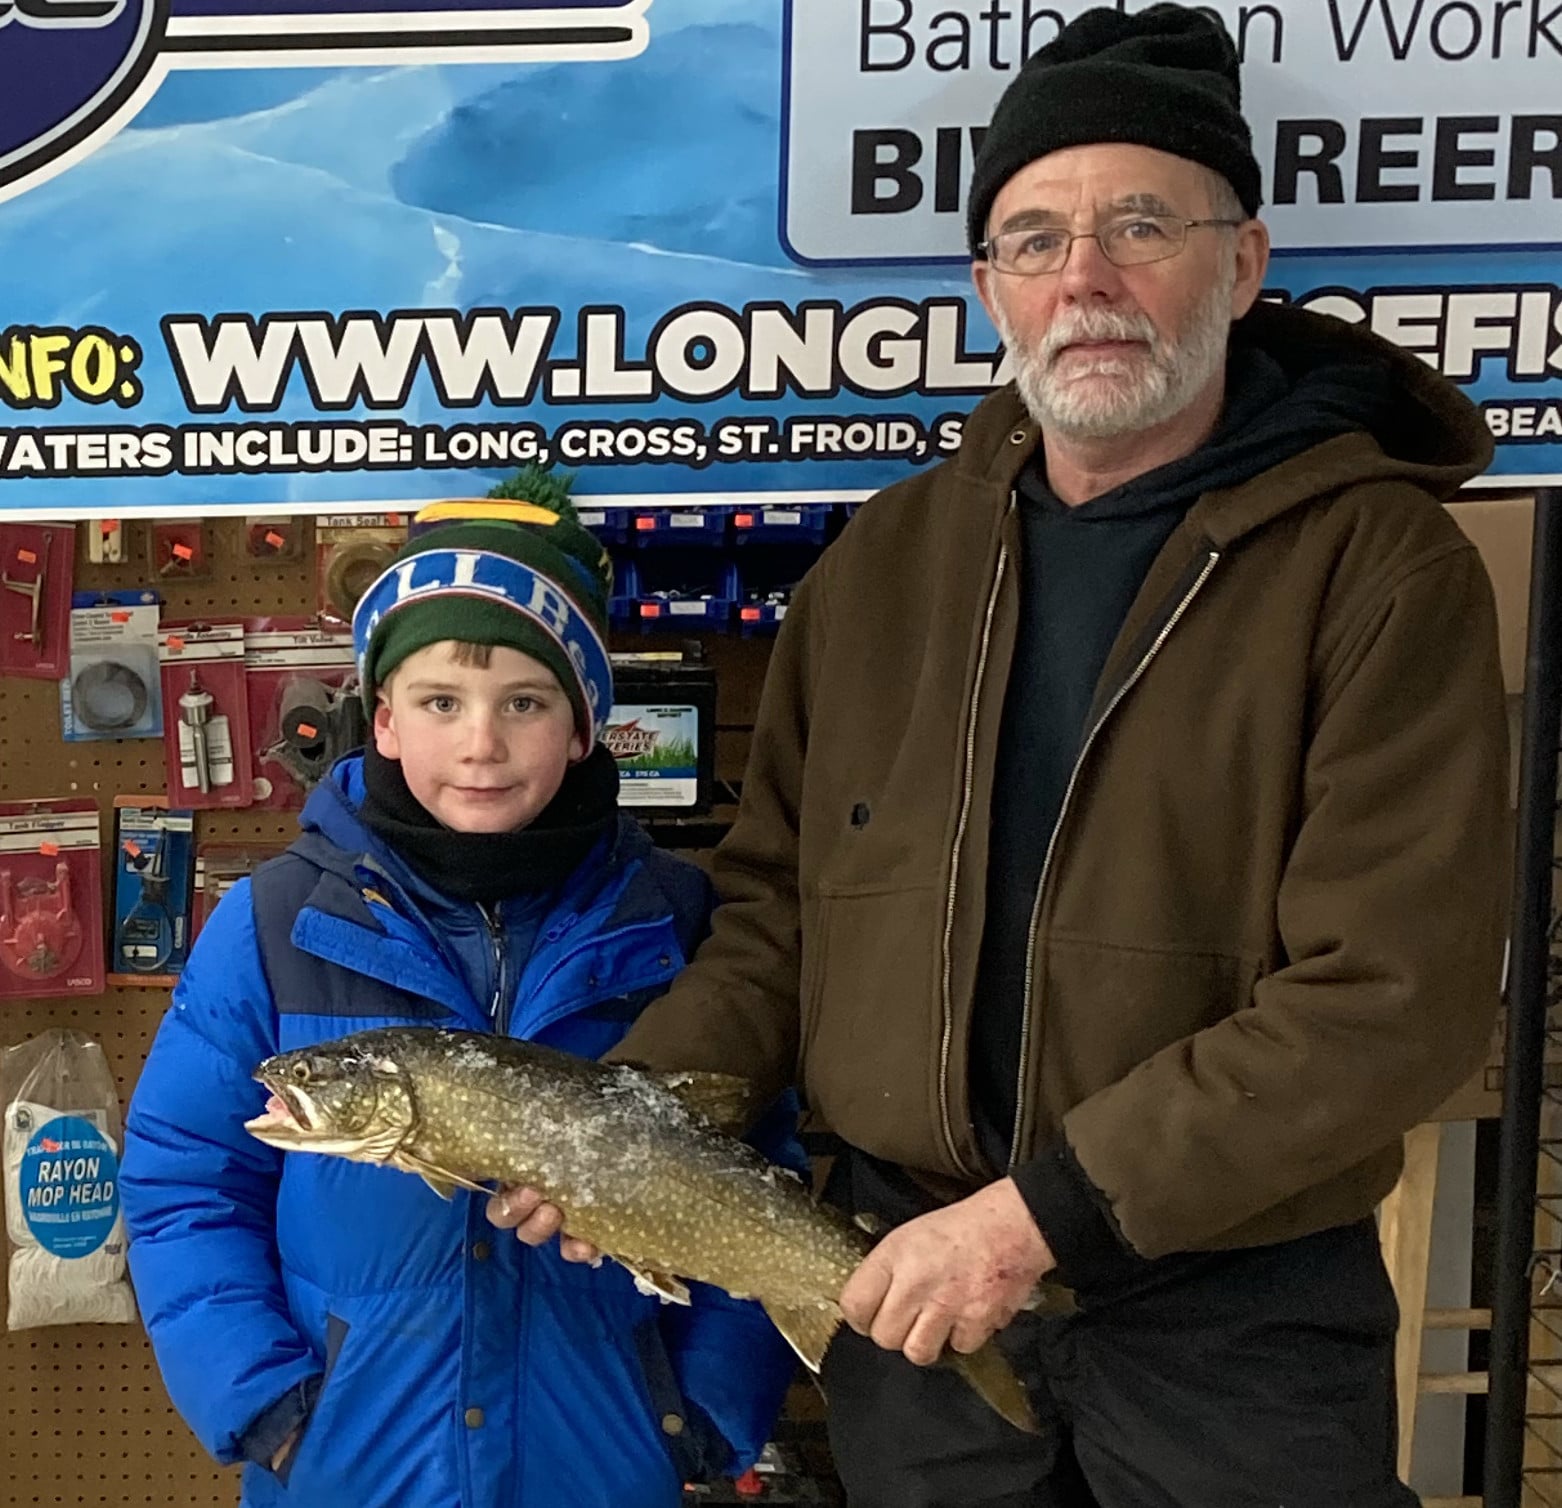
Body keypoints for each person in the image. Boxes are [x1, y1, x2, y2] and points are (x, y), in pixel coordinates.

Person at [491, 6, 1513, 1505]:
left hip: (1232, 1324)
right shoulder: (888, 564)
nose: (1083, 279)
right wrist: (619, 1128)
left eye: (1138, 225)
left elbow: (1390, 1001)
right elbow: (779, 914)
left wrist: (1036, 1217)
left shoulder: (1378, 569)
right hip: (910, 1284)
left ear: (1239, 264)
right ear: (987, 288)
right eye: (1034, 239)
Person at [120, 495, 803, 1508]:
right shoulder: (270, 923)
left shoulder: (677, 921)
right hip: (351, 1463)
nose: (481, 741)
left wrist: (697, 1408)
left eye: (525, 701)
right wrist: (270, 1408)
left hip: (607, 1459)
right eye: (440, 702)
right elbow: (184, 1183)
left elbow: (760, 1181)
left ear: (582, 725)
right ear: (384, 718)